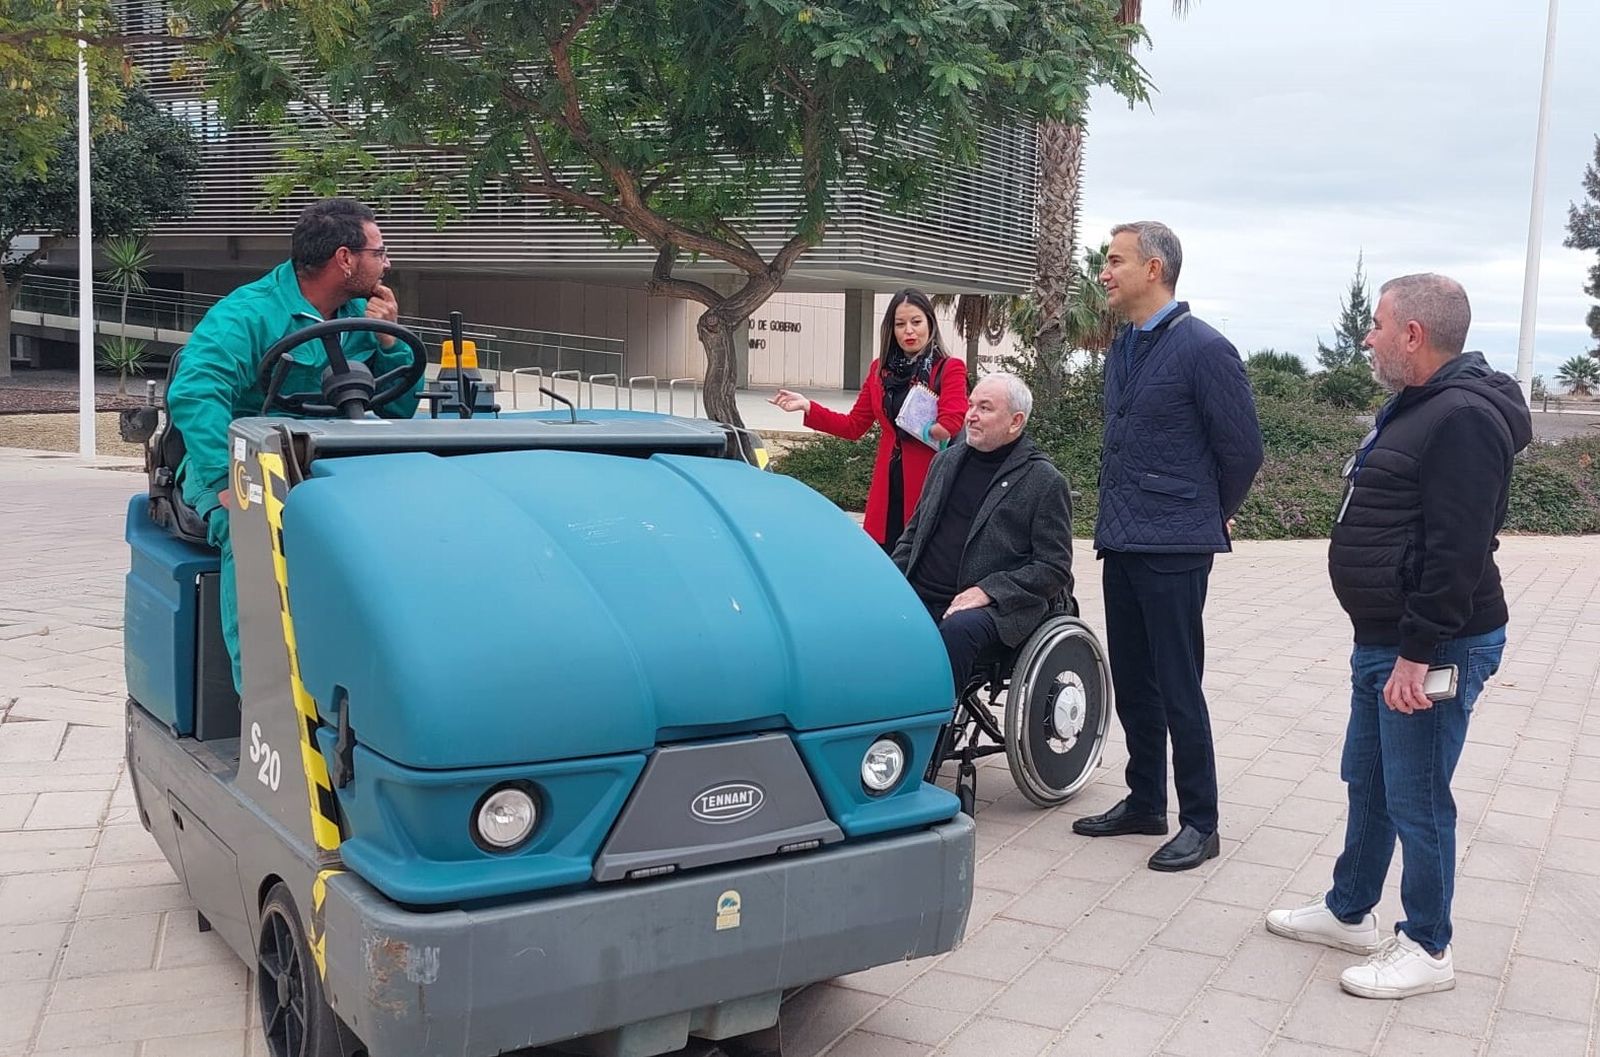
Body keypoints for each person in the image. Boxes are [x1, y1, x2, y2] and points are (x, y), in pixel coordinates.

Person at [1266, 274, 1531, 999]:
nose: (1368, 335)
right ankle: (1350, 910)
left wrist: (1417, 651)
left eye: (1378, 323)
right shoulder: (1415, 405)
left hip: (1434, 644)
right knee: (1369, 778)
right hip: (1384, 636)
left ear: (1412, 333)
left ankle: (1428, 944)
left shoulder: (1463, 418)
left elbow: (1458, 549)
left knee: (1416, 794)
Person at [165, 197, 424, 690]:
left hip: (332, 456)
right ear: (345, 259)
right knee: (256, 530)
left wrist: (390, 341)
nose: (387, 262)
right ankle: (264, 704)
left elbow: (394, 411)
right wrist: (229, 478)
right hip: (240, 458)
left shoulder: (363, 315)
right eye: (380, 251)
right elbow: (196, 392)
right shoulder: (248, 313)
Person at [1072, 221, 1264, 873]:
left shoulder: (1206, 349)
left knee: (1179, 682)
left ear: (1153, 269)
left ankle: (1201, 821)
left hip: (1176, 544)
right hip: (1122, 540)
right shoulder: (1124, 346)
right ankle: (1146, 799)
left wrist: (1209, 514)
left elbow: (1242, 451)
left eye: (1115, 260)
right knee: (1133, 679)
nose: (1104, 271)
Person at [890, 373, 1073, 695]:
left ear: (1016, 421)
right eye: (971, 405)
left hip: (993, 609)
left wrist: (988, 591)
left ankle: (929, 733)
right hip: (924, 593)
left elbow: (1053, 566)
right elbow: (914, 534)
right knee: (864, 622)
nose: (971, 415)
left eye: (985, 408)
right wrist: (888, 581)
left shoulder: (1044, 480)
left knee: (958, 630)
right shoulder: (945, 462)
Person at [770, 289, 968, 551]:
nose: (908, 331)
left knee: (920, 567)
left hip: (927, 487)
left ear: (930, 323)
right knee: (886, 564)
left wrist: (924, 424)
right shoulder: (879, 370)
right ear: (891, 329)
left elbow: (951, 423)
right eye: (900, 324)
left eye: (916, 322)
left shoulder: (948, 368)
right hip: (886, 491)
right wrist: (808, 407)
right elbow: (853, 426)